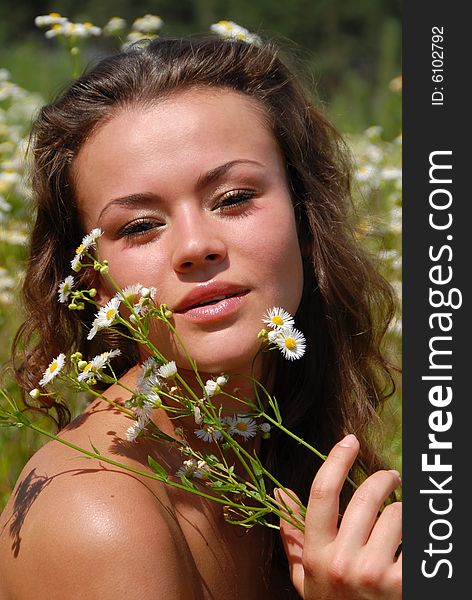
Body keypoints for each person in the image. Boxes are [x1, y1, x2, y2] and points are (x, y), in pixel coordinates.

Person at [0, 36, 401, 599]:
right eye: (138, 226)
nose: (195, 245)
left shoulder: (286, 433)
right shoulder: (99, 520)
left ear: (305, 216)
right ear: (92, 279)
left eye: (234, 198)